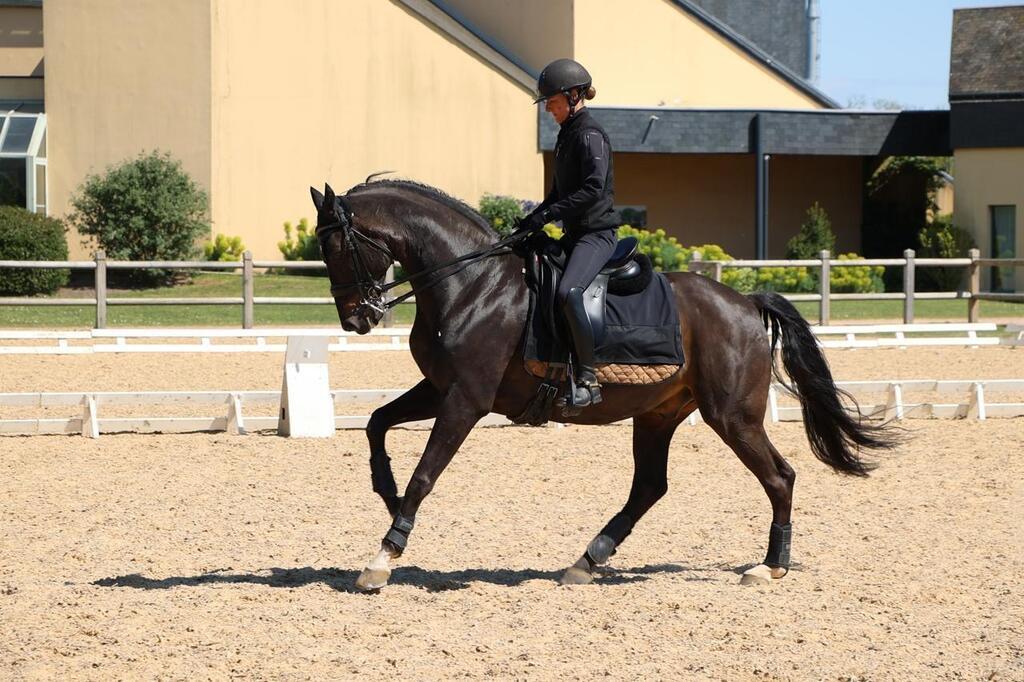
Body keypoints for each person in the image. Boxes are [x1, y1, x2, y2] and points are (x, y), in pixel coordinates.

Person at [515, 58, 620, 413]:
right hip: (574, 234)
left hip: (597, 234)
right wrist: (533, 219)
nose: (548, 108)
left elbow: (592, 189)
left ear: (574, 96)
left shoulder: (590, 135)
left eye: (553, 101)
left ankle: (588, 378)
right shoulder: (567, 135)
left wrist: (550, 213)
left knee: (567, 290)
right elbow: (559, 193)